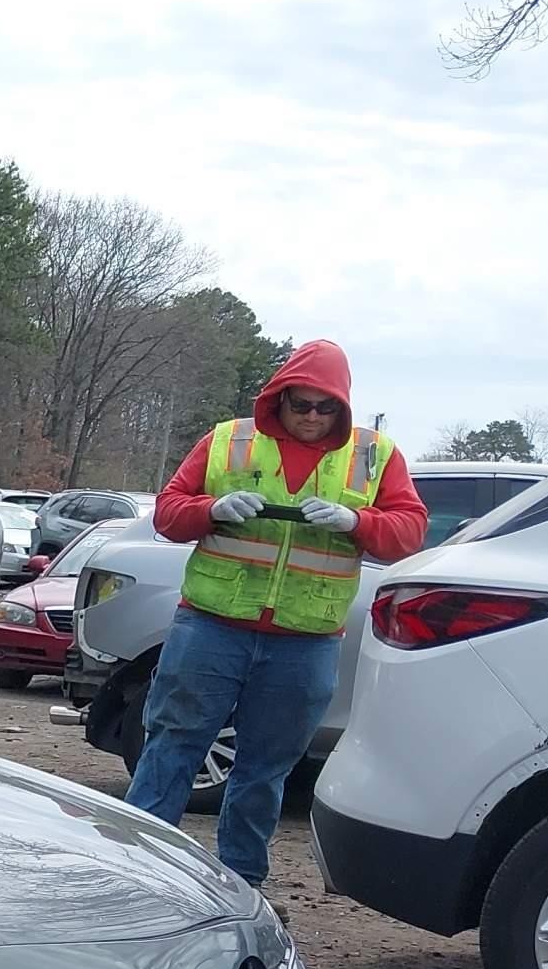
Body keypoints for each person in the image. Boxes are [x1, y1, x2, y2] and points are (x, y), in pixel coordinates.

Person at [127, 340, 427, 898]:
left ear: (342, 407)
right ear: (279, 399)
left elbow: (409, 532)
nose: (312, 417)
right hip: (212, 625)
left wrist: (354, 521)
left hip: (305, 641)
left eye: (325, 407)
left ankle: (240, 887)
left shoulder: (374, 455)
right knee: (172, 745)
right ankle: (139, 877)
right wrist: (210, 510)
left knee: (265, 771)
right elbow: (168, 513)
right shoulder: (228, 440)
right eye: (301, 404)